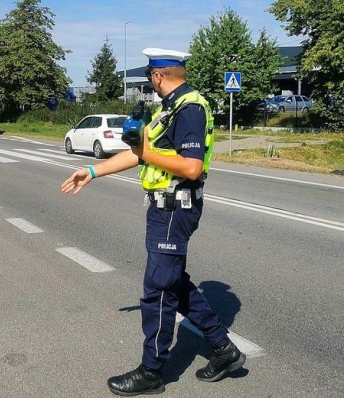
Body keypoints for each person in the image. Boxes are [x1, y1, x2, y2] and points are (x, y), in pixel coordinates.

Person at [60, 47, 246, 395]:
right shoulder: (170, 107)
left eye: (150, 78)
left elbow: (191, 167)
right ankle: (224, 349)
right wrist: (92, 171)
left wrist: (146, 152)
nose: (151, 84)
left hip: (176, 208)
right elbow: (139, 154)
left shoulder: (189, 108)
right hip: (165, 208)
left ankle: (152, 372)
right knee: (173, 282)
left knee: (158, 290)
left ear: (158, 76)